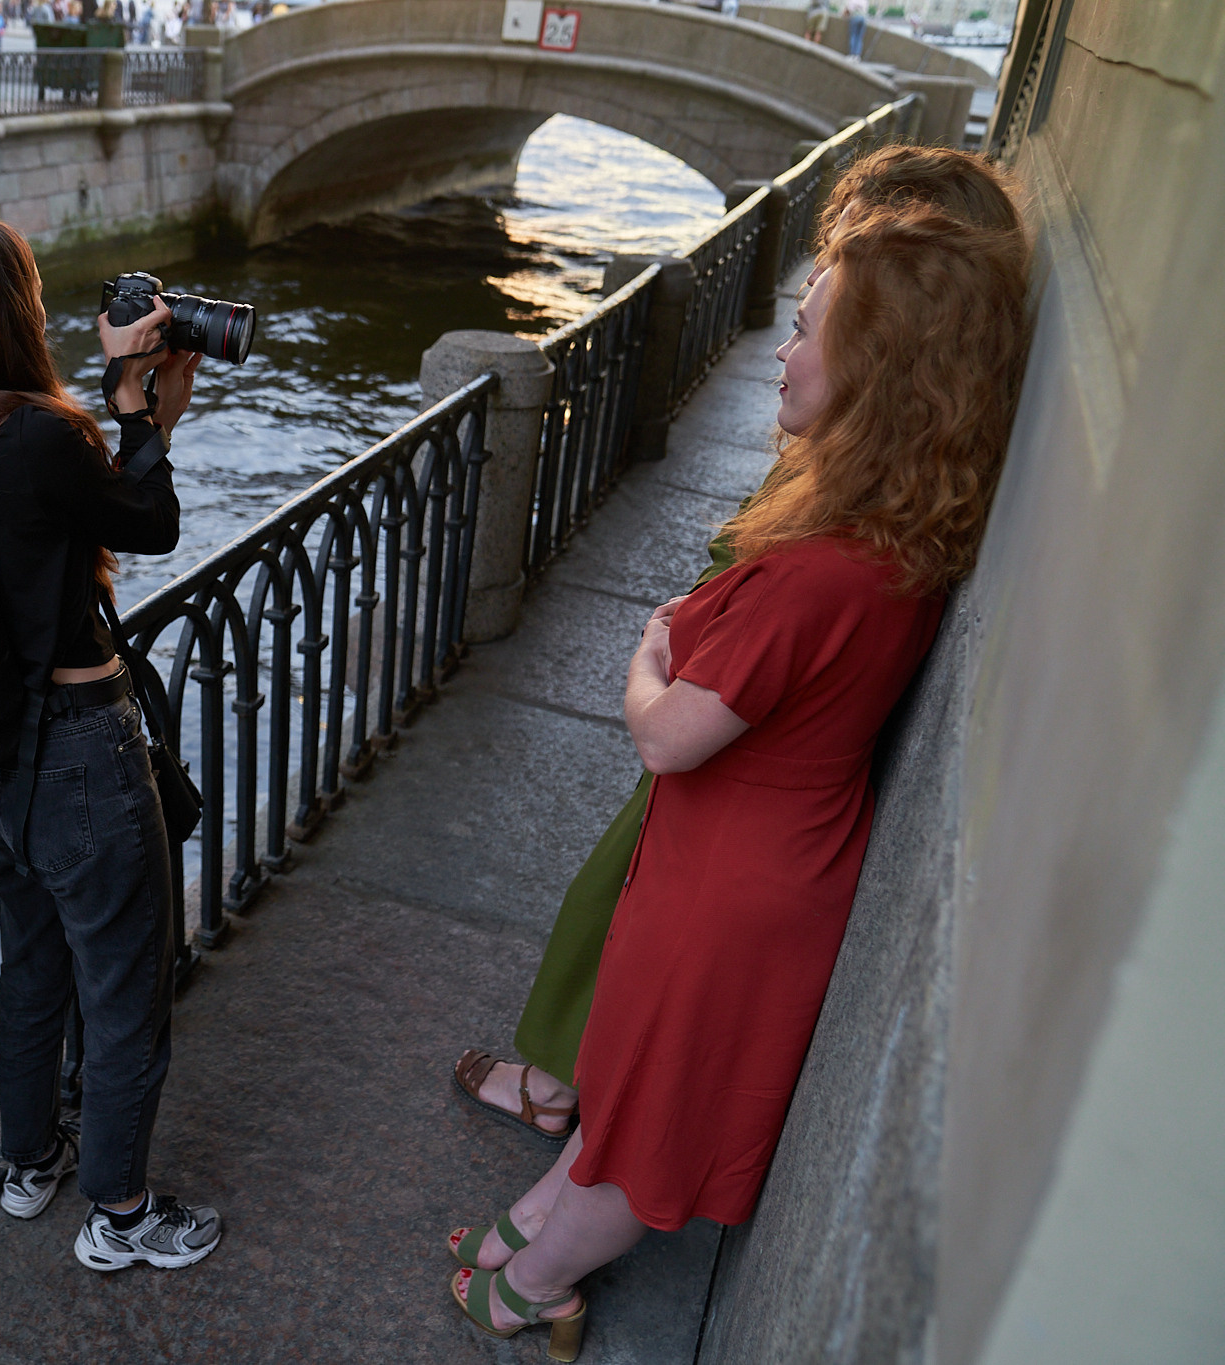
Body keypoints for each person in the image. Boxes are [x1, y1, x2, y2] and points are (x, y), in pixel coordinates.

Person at [443, 197, 1034, 1352]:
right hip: (743, 862)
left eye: (808, 330)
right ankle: (535, 1223)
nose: (782, 348)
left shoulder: (819, 571)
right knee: (635, 1081)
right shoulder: (884, 539)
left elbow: (665, 736)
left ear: (882, 373)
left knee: (656, 1113)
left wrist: (645, 657)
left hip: (730, 891)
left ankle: (533, 1287)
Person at [0, 215, 220, 1273]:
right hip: (79, 749)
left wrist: (129, 405)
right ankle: (119, 1216)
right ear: (11, 315)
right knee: (123, 991)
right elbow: (150, 524)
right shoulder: (34, 434)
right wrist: (138, 403)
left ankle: (28, 1166)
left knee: (31, 968)